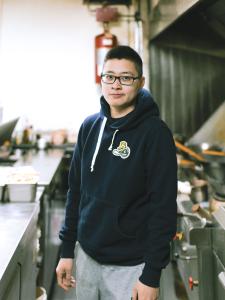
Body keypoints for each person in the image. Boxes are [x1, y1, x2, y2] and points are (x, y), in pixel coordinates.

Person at [56, 45, 177, 300]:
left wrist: (151, 275)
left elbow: (163, 208)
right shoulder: (89, 126)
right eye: (109, 76)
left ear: (140, 82)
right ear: (101, 79)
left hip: (131, 266)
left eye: (126, 78)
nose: (116, 85)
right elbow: (75, 191)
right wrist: (67, 250)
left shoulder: (155, 134)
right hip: (87, 256)